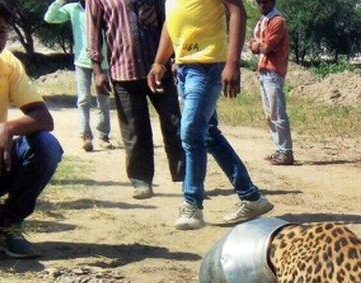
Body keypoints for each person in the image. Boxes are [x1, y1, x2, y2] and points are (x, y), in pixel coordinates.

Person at [149, 0, 273, 230]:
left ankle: (192, 204)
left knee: (191, 132)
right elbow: (172, 20)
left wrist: (233, 63)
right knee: (207, 134)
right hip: (185, 67)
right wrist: (159, 60)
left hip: (207, 67)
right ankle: (252, 198)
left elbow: (237, 11)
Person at [0, 0, 64, 258]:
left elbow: (43, 118)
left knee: (46, 145)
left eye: (0, 32)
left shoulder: (7, 64)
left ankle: (6, 226)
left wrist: (7, 127)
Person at [86, 0, 184, 200]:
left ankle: (187, 180)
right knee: (134, 131)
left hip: (159, 69)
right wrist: (97, 71)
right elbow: (93, 32)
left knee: (175, 125)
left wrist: (173, 58)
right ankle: (141, 182)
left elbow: (168, 20)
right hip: (124, 73)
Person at [44, 0, 112, 153]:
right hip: (82, 61)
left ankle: (103, 136)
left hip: (104, 61)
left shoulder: (104, 5)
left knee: (104, 100)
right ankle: (85, 136)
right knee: (83, 99)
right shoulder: (73, 9)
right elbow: (49, 18)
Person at [249, 0, 294, 166]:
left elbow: (266, 47)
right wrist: (257, 45)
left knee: (277, 113)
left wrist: (257, 45)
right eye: (258, 1)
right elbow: (253, 45)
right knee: (270, 114)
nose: (260, 4)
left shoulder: (277, 21)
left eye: (264, 1)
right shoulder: (263, 21)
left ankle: (286, 151)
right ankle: (279, 149)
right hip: (264, 70)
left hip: (273, 70)